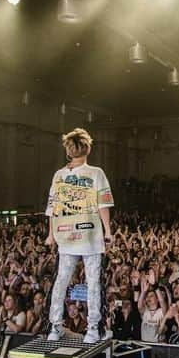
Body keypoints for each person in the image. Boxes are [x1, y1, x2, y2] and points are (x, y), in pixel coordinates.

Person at [45, 128, 114, 343]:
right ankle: (93, 330)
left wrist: (51, 235)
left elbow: (52, 208)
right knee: (93, 283)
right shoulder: (96, 173)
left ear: (68, 150)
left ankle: (55, 328)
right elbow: (103, 204)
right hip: (90, 237)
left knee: (61, 282)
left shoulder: (59, 175)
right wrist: (108, 231)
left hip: (65, 237)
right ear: (88, 148)